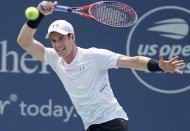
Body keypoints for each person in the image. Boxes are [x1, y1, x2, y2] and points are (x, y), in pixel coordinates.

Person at [17, 1, 184, 131]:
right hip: (92, 125)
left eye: (61, 39)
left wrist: (158, 66)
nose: (58, 44)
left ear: (72, 37)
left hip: (112, 123)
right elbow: (24, 42)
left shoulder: (93, 56)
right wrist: (39, 14)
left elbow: (133, 61)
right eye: (53, 40)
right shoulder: (54, 58)